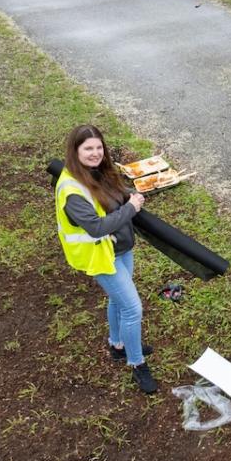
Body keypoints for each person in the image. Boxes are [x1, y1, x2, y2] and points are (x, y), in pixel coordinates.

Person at [55, 124, 157, 394]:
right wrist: (133, 208)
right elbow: (97, 228)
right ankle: (137, 363)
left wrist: (128, 195)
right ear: (75, 151)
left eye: (98, 147)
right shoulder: (71, 189)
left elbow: (114, 197)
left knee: (118, 300)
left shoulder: (97, 171)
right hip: (100, 255)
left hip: (119, 248)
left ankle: (118, 344)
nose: (95, 153)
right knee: (133, 309)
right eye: (88, 148)